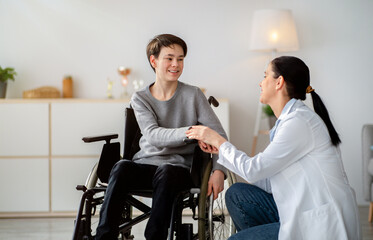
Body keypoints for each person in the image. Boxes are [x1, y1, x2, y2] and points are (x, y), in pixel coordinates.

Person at [186, 56, 361, 240]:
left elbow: (255, 170)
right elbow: (267, 180)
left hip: (322, 226)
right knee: (237, 194)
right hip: (302, 212)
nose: (260, 83)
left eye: (265, 76)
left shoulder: (298, 122)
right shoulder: (290, 120)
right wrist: (222, 151)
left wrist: (219, 141)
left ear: (279, 82)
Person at [95, 34, 227, 240]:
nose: (176, 64)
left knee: (166, 171)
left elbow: (218, 136)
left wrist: (219, 171)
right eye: (170, 58)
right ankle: (103, 237)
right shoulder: (140, 98)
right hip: (145, 166)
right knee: (121, 167)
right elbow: (153, 135)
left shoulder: (194, 95)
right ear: (154, 60)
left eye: (180, 59)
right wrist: (192, 131)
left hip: (179, 170)